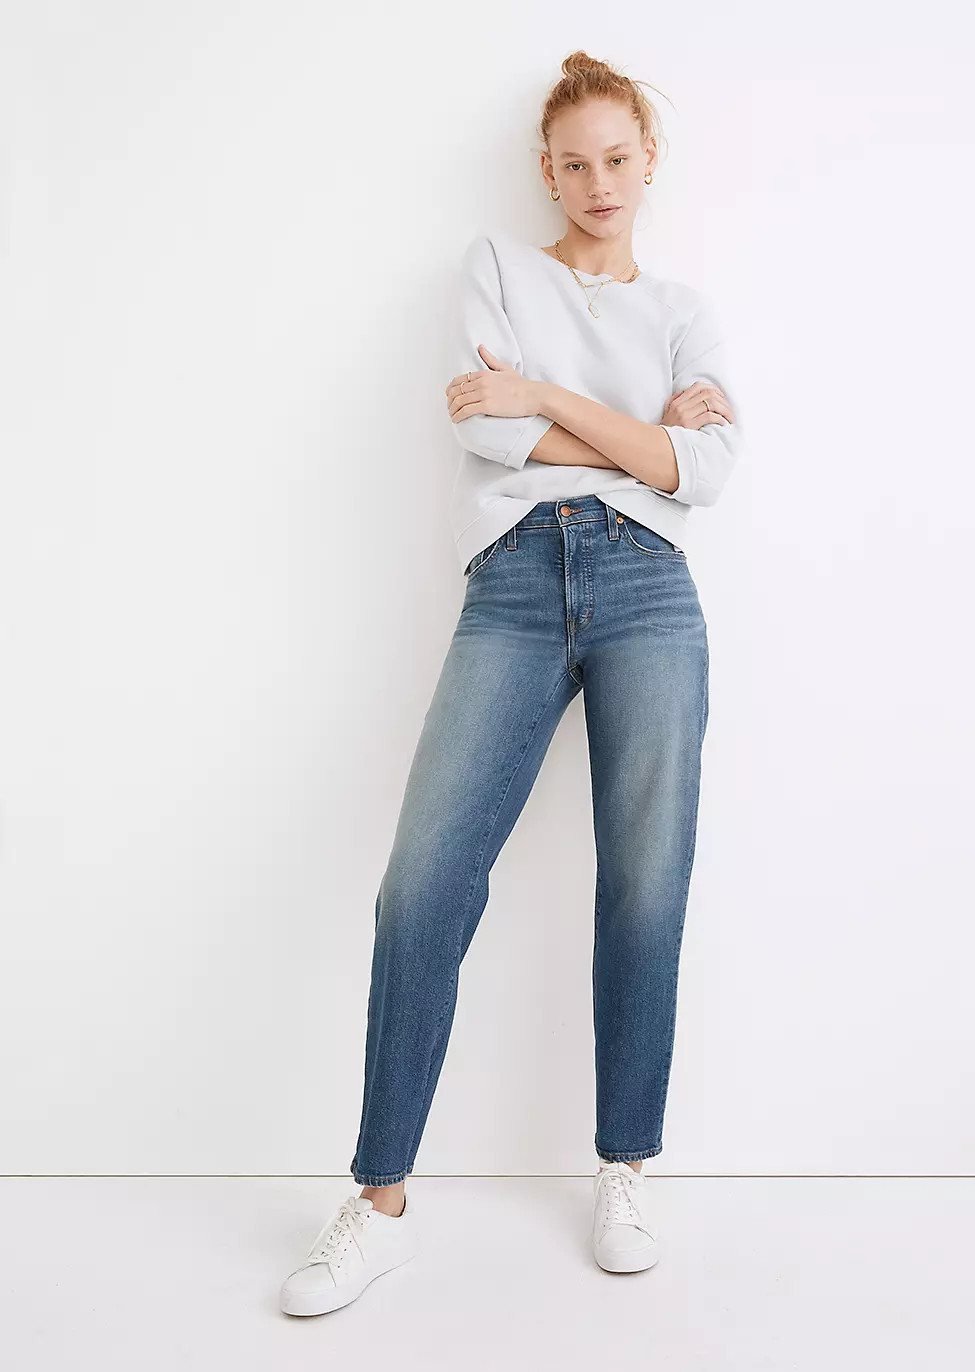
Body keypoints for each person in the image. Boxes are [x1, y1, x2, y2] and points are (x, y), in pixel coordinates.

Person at [279, 48, 742, 1318]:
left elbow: (706, 472)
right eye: (575, 163)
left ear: (650, 161)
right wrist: (640, 440)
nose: (599, 182)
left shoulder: (684, 310)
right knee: (424, 881)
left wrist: (543, 393)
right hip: (516, 580)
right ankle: (379, 1202)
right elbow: (483, 428)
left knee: (646, 880)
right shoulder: (493, 266)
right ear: (548, 170)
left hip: (651, 589)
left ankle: (624, 1169)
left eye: (619, 158)